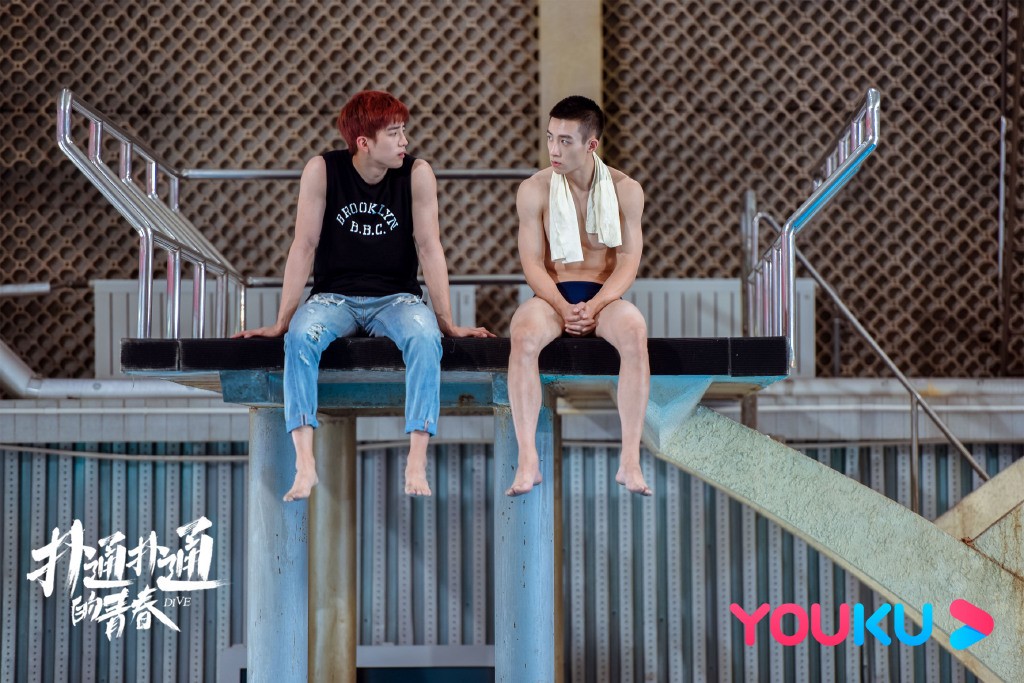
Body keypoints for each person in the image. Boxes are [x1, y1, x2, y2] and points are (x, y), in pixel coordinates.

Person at [235, 90, 493, 501]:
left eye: (404, 130)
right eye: (394, 133)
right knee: (299, 338)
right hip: (333, 298)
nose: (405, 141)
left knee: (426, 338)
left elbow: (430, 248)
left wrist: (447, 323)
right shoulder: (323, 170)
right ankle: (305, 464)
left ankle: (416, 459)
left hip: (397, 299)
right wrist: (283, 321)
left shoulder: (416, 174)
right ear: (364, 142)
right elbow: (303, 245)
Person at [505, 95, 651, 497]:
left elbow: (628, 262)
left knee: (635, 331)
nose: (553, 149)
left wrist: (597, 305)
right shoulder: (533, 190)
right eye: (550, 138)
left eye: (565, 141)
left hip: (603, 297)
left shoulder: (626, 191)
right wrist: (562, 306)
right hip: (554, 296)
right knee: (523, 333)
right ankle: (528, 459)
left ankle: (630, 460)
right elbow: (532, 264)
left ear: (591, 144)